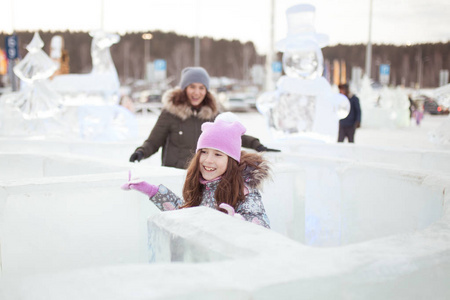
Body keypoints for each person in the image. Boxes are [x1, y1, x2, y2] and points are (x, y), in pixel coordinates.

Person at [122, 117, 271, 228]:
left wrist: (238, 223)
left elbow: (262, 226)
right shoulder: (202, 184)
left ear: (231, 160)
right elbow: (185, 213)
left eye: (218, 154)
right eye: (204, 152)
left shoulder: (244, 190)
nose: (208, 160)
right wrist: (151, 190)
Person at [129, 66, 279, 169]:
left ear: (206, 91)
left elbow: (232, 135)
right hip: (175, 175)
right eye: (192, 87)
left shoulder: (212, 114)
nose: (196, 92)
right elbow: (154, 141)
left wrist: (256, 145)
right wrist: (141, 152)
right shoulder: (170, 113)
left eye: (201, 88)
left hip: (201, 177)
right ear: (184, 89)